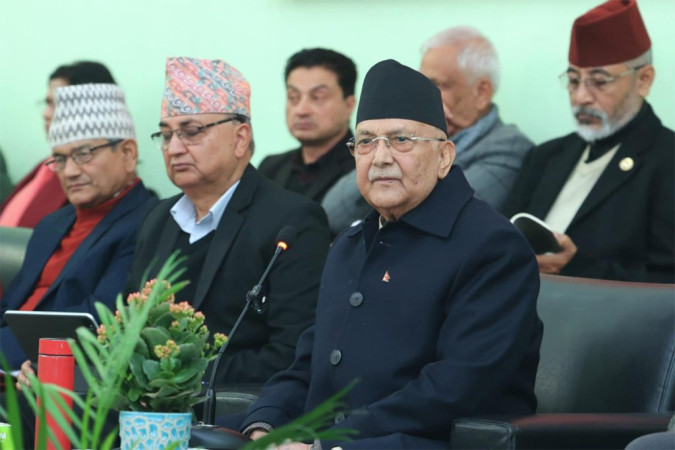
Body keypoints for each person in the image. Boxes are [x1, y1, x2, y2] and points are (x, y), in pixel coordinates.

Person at [235, 59, 542, 449]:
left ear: (444, 157)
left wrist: (325, 444)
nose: (379, 158)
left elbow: (454, 389)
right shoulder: (349, 243)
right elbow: (308, 365)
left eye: (401, 140)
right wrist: (266, 426)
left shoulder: (493, 247)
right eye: (365, 142)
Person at [126, 57, 331, 386]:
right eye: (165, 135)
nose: (174, 148)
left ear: (240, 138)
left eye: (191, 132)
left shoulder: (291, 221)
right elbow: (129, 329)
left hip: (235, 404)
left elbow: (291, 353)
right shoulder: (157, 218)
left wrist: (179, 378)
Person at [502, 0, 674, 283]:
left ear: (643, 80)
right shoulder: (545, 156)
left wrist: (576, 267)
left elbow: (667, 281)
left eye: (600, 81)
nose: (581, 97)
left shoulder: (667, 161)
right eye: (573, 80)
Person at [0, 83, 157, 370]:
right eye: (60, 159)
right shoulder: (51, 225)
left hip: (56, 377)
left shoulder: (149, 223)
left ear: (128, 153)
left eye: (84, 154)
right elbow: (9, 307)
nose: (70, 171)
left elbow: (96, 321)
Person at [322, 27, 533, 235]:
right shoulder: (386, 143)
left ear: (481, 92)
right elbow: (331, 213)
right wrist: (377, 141)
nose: (423, 96)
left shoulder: (507, 146)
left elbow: (440, 212)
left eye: (438, 85)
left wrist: (429, 133)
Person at [0, 61, 117, 229]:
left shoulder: (95, 182)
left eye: (58, 104)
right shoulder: (46, 166)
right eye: (47, 103)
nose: (46, 114)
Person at [258, 49, 356, 204]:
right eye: (293, 97)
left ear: (349, 105)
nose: (302, 110)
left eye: (317, 97)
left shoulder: (362, 170)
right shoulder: (270, 167)